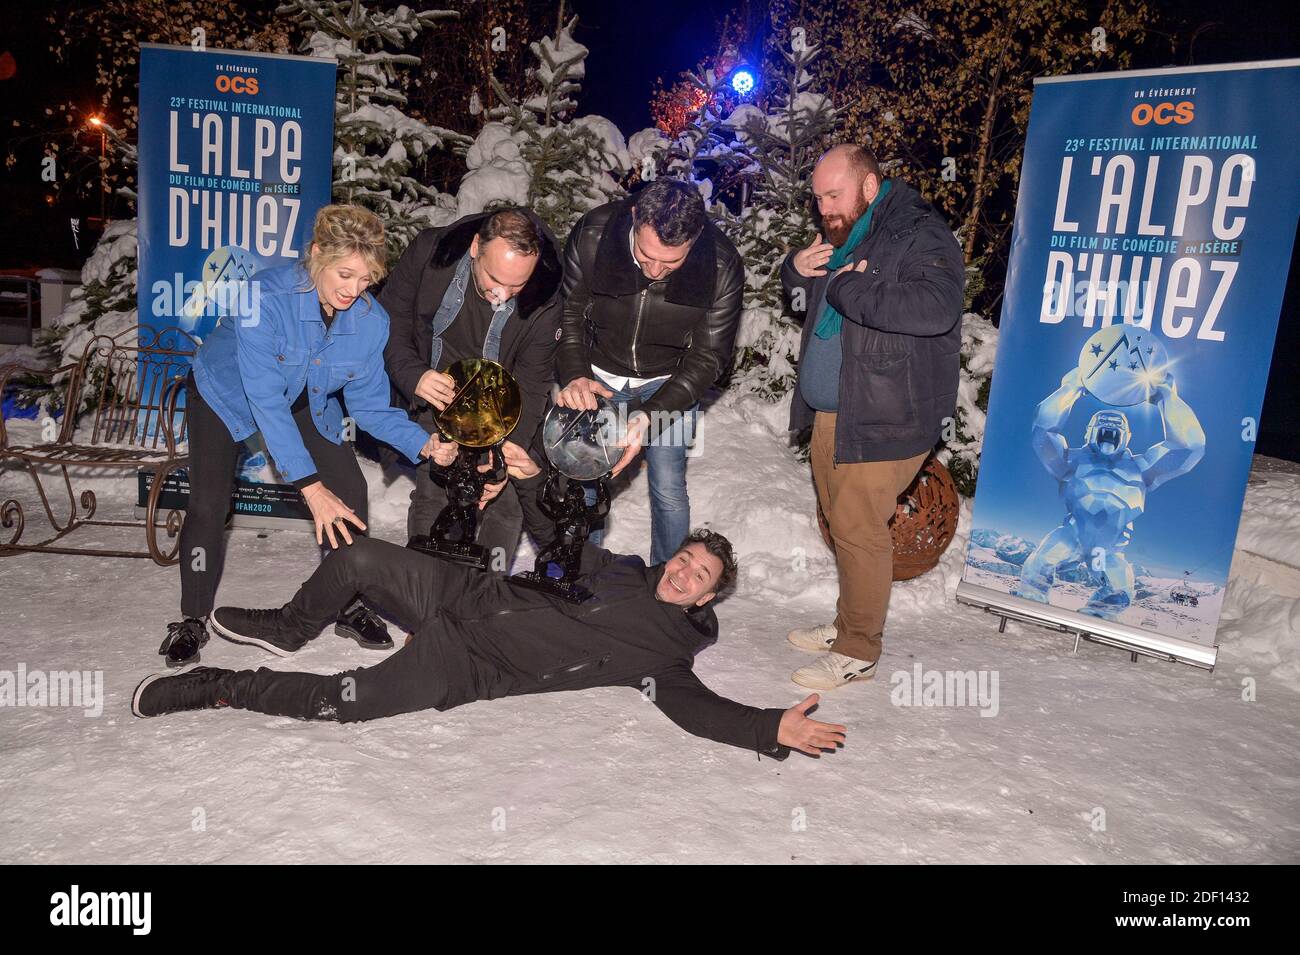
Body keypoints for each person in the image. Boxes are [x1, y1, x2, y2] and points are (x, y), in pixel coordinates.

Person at [132, 521, 848, 761]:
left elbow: (697, 708)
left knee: (338, 703)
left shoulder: (662, 656)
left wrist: (767, 728)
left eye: (702, 576)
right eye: (686, 560)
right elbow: (560, 537)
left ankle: (215, 686)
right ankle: (291, 629)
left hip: (467, 662)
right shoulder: (625, 569)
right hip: (466, 595)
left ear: (710, 597)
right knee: (354, 558)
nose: (686, 573)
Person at [158, 204, 441, 668]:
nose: (355, 290)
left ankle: (346, 603)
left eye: (366, 278)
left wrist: (423, 443)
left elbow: (370, 407)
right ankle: (191, 618)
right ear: (316, 255)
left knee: (350, 492)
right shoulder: (262, 296)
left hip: (306, 396)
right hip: (225, 393)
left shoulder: (371, 321)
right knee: (209, 502)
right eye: (345, 274)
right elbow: (265, 399)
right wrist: (310, 488)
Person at [783, 145, 964, 690]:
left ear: (868, 186)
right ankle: (847, 625)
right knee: (843, 523)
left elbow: (936, 309)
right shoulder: (848, 232)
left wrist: (846, 284)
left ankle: (859, 648)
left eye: (833, 196)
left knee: (860, 528)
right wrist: (796, 272)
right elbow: (808, 303)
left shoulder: (919, 232)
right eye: (816, 199)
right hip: (835, 410)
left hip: (887, 412)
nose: (823, 210)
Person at [555, 179, 743, 565]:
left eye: (671, 262)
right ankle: (581, 568)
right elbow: (569, 312)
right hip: (598, 375)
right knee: (585, 477)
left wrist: (651, 415)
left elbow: (709, 357)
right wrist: (575, 373)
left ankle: (665, 587)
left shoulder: (721, 265)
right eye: (645, 255)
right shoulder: (593, 234)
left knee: (669, 485)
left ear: (695, 238)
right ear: (635, 216)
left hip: (671, 381)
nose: (655, 270)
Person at [379, 208, 562, 564]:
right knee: (434, 492)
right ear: (476, 246)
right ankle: (420, 590)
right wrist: (414, 374)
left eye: (517, 285)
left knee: (506, 500)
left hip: (500, 406)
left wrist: (504, 455)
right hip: (439, 396)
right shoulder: (431, 252)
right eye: (495, 279)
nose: (503, 294)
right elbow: (391, 321)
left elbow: (533, 382)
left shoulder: (546, 297)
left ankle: (482, 601)